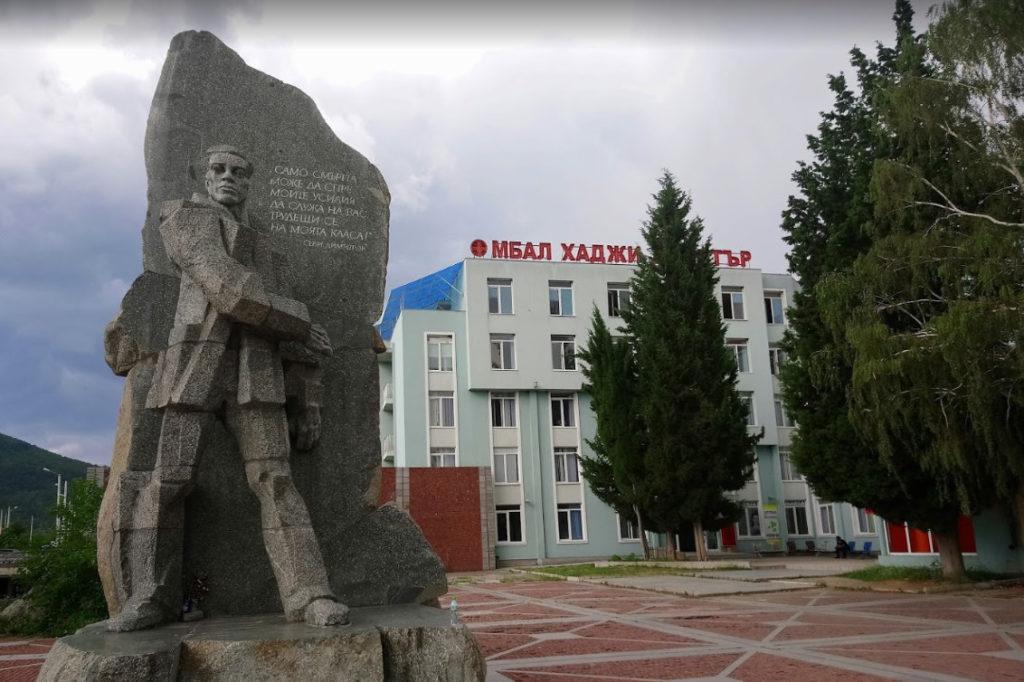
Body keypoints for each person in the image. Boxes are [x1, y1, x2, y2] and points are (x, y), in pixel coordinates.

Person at [107, 145, 348, 632]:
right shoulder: (183, 219)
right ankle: (149, 598)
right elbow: (228, 289)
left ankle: (310, 595)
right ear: (203, 175)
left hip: (256, 371)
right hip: (195, 365)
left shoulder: (267, 249)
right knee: (169, 480)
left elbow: (289, 338)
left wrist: (309, 399)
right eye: (218, 169)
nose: (228, 176)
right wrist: (302, 321)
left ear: (249, 181)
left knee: (276, 480)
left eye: (238, 171)